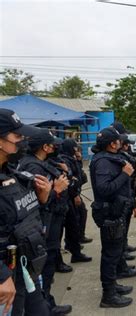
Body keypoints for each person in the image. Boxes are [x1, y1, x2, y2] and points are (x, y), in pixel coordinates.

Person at [17, 129, 75, 315]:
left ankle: (47, 302)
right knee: (44, 265)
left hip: (51, 219)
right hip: (42, 223)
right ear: (45, 147)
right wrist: (56, 190)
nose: (55, 147)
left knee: (47, 262)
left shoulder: (43, 163)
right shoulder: (33, 167)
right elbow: (33, 203)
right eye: (52, 144)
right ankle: (46, 305)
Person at [0, 109, 52, 316]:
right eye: (17, 136)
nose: (23, 141)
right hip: (5, 278)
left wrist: (43, 197)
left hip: (25, 267)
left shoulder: (14, 174)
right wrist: (2, 276)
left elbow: (27, 217)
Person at [89, 127, 136, 308]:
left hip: (116, 212)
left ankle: (113, 286)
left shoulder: (108, 158)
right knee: (110, 255)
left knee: (114, 252)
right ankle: (108, 295)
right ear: (111, 143)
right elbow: (104, 189)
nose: (120, 143)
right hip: (109, 214)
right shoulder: (102, 162)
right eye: (117, 140)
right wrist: (125, 174)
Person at [118, 135, 136, 261]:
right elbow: (128, 184)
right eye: (128, 144)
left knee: (125, 224)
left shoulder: (123, 157)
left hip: (128, 194)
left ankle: (124, 245)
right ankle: (122, 251)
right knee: (123, 224)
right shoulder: (124, 159)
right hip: (125, 196)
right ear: (124, 145)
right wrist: (134, 203)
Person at [72, 147, 93, 244]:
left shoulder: (75, 161)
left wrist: (79, 160)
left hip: (76, 192)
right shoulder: (68, 161)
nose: (78, 153)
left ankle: (80, 236)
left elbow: (79, 173)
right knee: (74, 218)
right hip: (72, 194)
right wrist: (75, 194)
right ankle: (74, 241)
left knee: (82, 213)